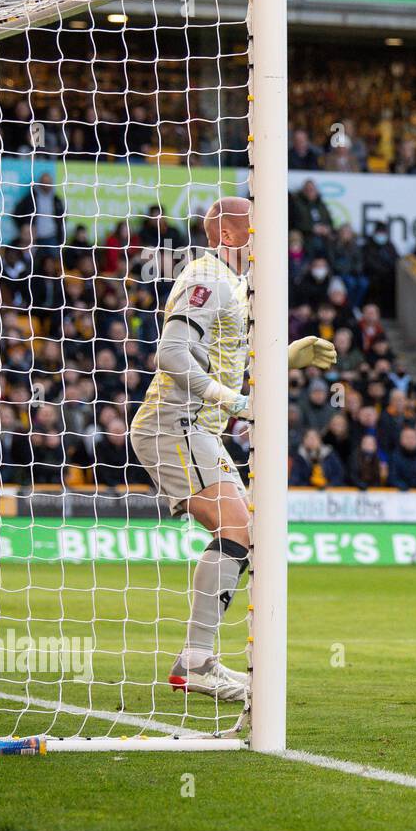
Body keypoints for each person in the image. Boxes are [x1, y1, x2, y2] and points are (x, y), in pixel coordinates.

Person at [130, 196, 337, 700]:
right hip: (175, 423)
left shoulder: (237, 286)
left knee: (245, 533)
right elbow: (171, 354)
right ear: (229, 235)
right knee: (238, 530)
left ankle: (197, 660)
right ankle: (197, 662)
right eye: (259, 228)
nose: (270, 240)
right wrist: (236, 403)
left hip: (197, 427)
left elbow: (228, 366)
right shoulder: (207, 277)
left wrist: (286, 358)